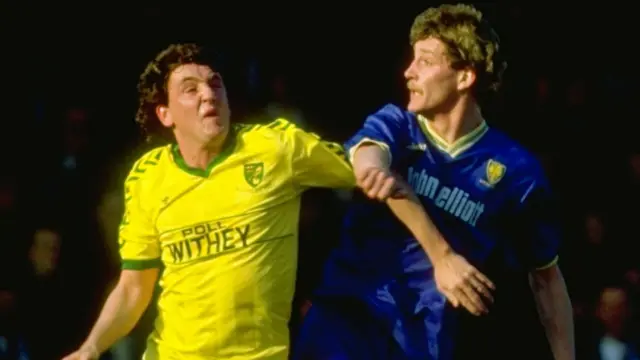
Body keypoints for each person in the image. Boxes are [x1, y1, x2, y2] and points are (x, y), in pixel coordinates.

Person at [62, 43, 482, 360]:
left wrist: (442, 249)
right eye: (189, 90)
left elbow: (372, 170)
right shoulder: (147, 177)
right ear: (165, 114)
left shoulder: (277, 147)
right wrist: (92, 347)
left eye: (215, 83)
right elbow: (135, 287)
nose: (209, 94)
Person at [294, 4, 574, 360]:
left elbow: (546, 278)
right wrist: (441, 255)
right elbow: (368, 156)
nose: (409, 72)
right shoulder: (396, 123)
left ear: (464, 77)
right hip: (349, 316)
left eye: (425, 61)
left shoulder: (517, 171)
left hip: (425, 339)